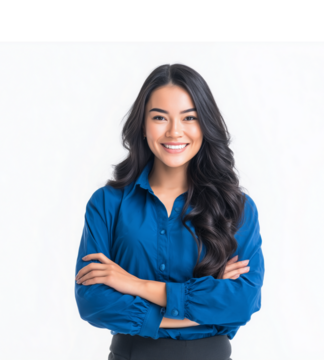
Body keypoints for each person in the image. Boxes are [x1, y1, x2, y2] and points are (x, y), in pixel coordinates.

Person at [74, 64, 264, 360]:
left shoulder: (236, 208)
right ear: (142, 124)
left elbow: (241, 302)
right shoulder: (107, 204)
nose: (174, 131)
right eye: (160, 117)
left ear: (205, 125)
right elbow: (93, 302)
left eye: (189, 117)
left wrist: (134, 285)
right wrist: (201, 305)